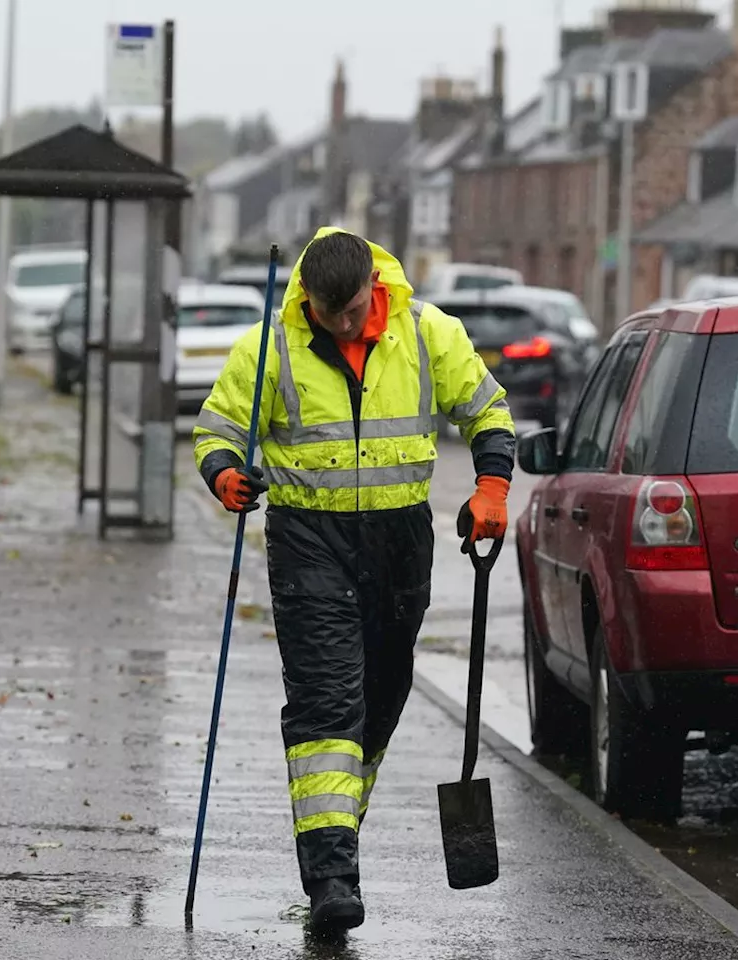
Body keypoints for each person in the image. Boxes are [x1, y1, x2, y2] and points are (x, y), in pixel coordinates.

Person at [191, 227, 516, 932]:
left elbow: (487, 411)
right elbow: (216, 428)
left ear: (376, 284)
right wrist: (225, 474)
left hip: (399, 546)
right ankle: (333, 878)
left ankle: (335, 828)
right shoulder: (269, 348)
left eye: (354, 308)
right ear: (306, 295)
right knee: (326, 703)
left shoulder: (428, 333)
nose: (343, 324)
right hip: (309, 542)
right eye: (329, 312)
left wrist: (491, 489)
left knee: (381, 699)